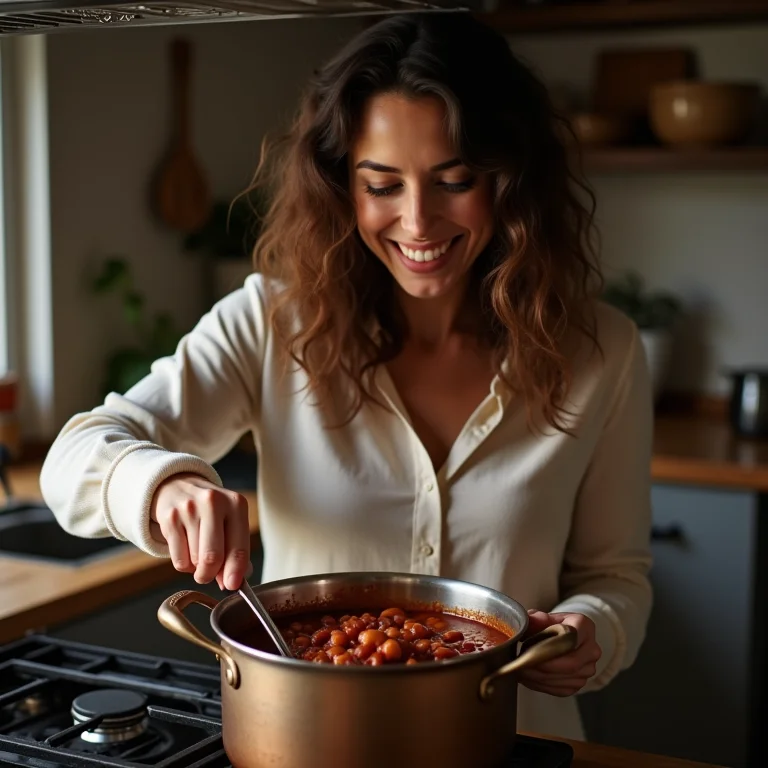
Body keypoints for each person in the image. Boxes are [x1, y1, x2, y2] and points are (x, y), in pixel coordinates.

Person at [40, 11, 653, 742]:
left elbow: (618, 578)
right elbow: (74, 459)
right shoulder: (269, 324)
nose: (418, 221)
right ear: (341, 186)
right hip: (305, 742)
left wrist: (590, 632)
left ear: (510, 182)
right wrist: (164, 483)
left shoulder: (602, 350)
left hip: (520, 740)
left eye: (454, 180)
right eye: (382, 184)